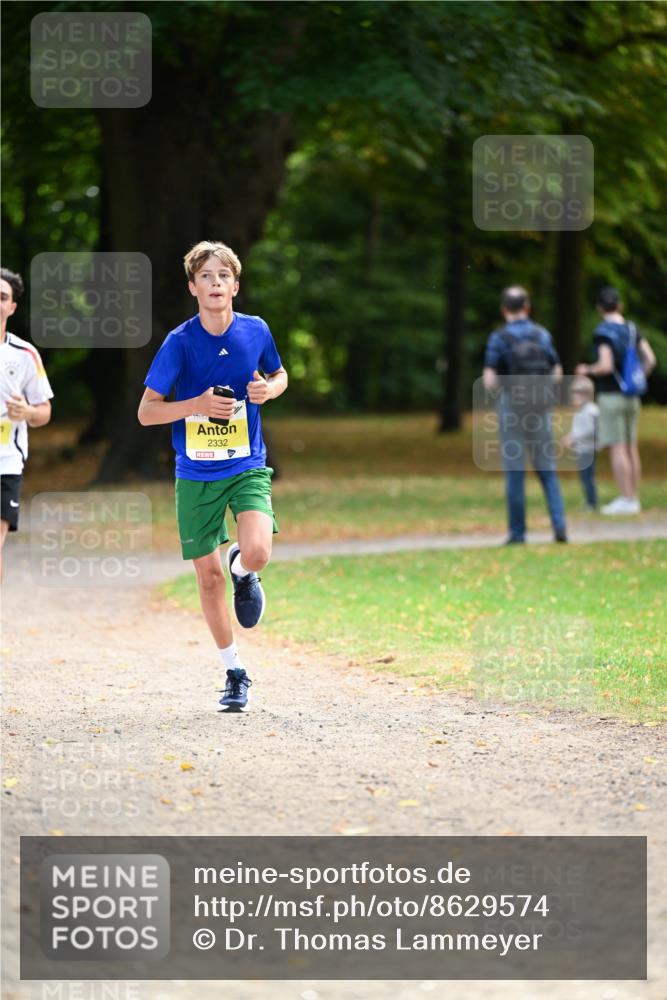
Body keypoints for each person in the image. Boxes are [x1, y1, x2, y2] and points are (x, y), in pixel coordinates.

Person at [138, 241, 288, 712]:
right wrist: (197, 405)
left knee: (259, 551)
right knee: (206, 580)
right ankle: (234, 672)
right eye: (206, 276)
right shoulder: (179, 342)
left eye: (224, 275)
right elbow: (146, 413)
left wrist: (269, 389)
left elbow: (280, 375)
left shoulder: (256, 330)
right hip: (195, 472)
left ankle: (242, 569)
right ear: (193, 287)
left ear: (236, 286)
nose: (216, 283)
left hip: (245, 463)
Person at [483, 285, 567, 545]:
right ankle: (559, 526)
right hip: (540, 407)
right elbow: (557, 372)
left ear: (504, 309)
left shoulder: (499, 338)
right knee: (547, 469)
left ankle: (518, 534)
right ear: (527, 308)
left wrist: (508, 392)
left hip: (512, 408)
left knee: (515, 471)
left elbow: (488, 380)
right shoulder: (541, 334)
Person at [575, 287, 656, 515]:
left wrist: (587, 368)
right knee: (631, 447)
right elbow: (650, 359)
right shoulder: (632, 329)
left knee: (617, 447)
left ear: (599, 308)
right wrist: (637, 379)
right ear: (619, 305)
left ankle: (625, 498)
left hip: (611, 395)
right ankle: (634, 497)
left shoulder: (603, 332)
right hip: (632, 396)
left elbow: (605, 365)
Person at [0, 268, 53, 579]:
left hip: (6, 463)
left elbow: (44, 411)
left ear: (12, 307)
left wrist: (27, 412)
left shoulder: (25, 354)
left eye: (2, 297)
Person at [561, 376, 599, 512]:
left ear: (585, 395)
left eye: (575, 393)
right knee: (585, 478)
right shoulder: (582, 411)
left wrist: (573, 438)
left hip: (588, 450)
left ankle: (592, 503)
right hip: (582, 449)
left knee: (588, 478)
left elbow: (589, 430)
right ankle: (590, 502)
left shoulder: (590, 410)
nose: (572, 397)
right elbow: (578, 428)